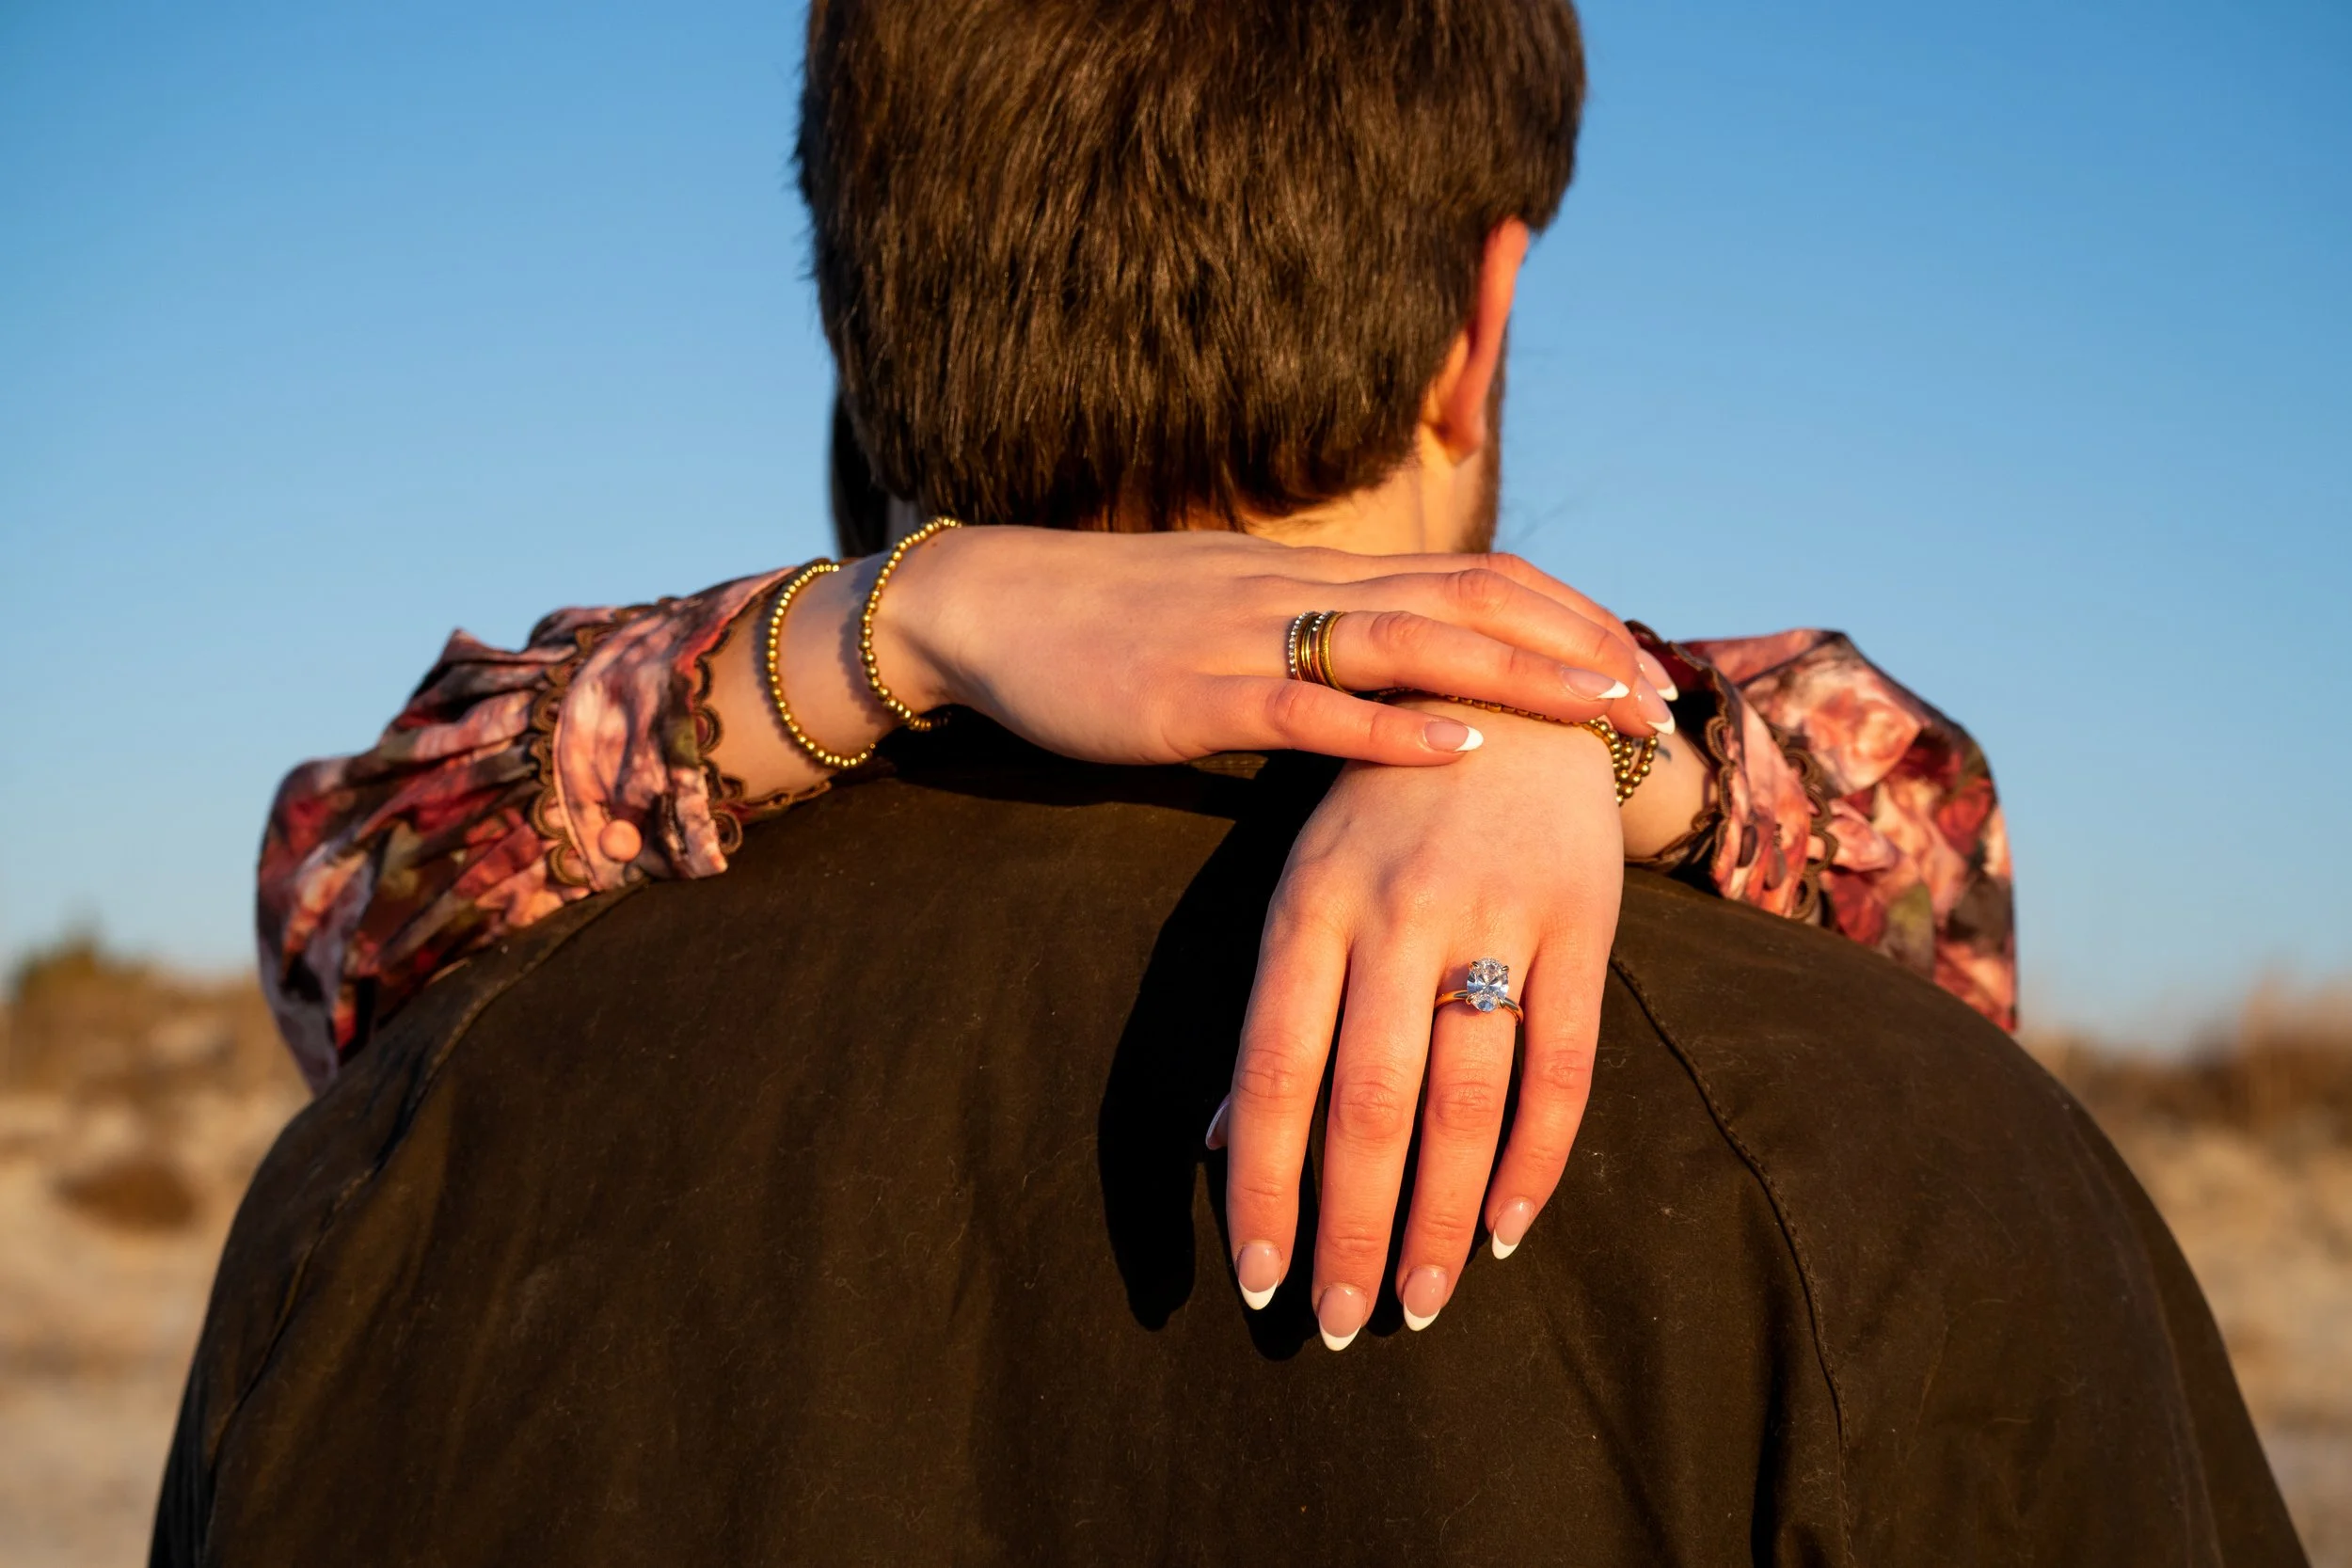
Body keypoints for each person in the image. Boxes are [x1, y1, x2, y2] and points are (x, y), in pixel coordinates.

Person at [159, 1, 2301, 1559]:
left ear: (855, 319)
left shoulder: (405, 1144)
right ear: (1483, 314)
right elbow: (1937, 873)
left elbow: (350, 891)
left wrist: (892, 622)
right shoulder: (1918, 1167)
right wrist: (1557, 712)